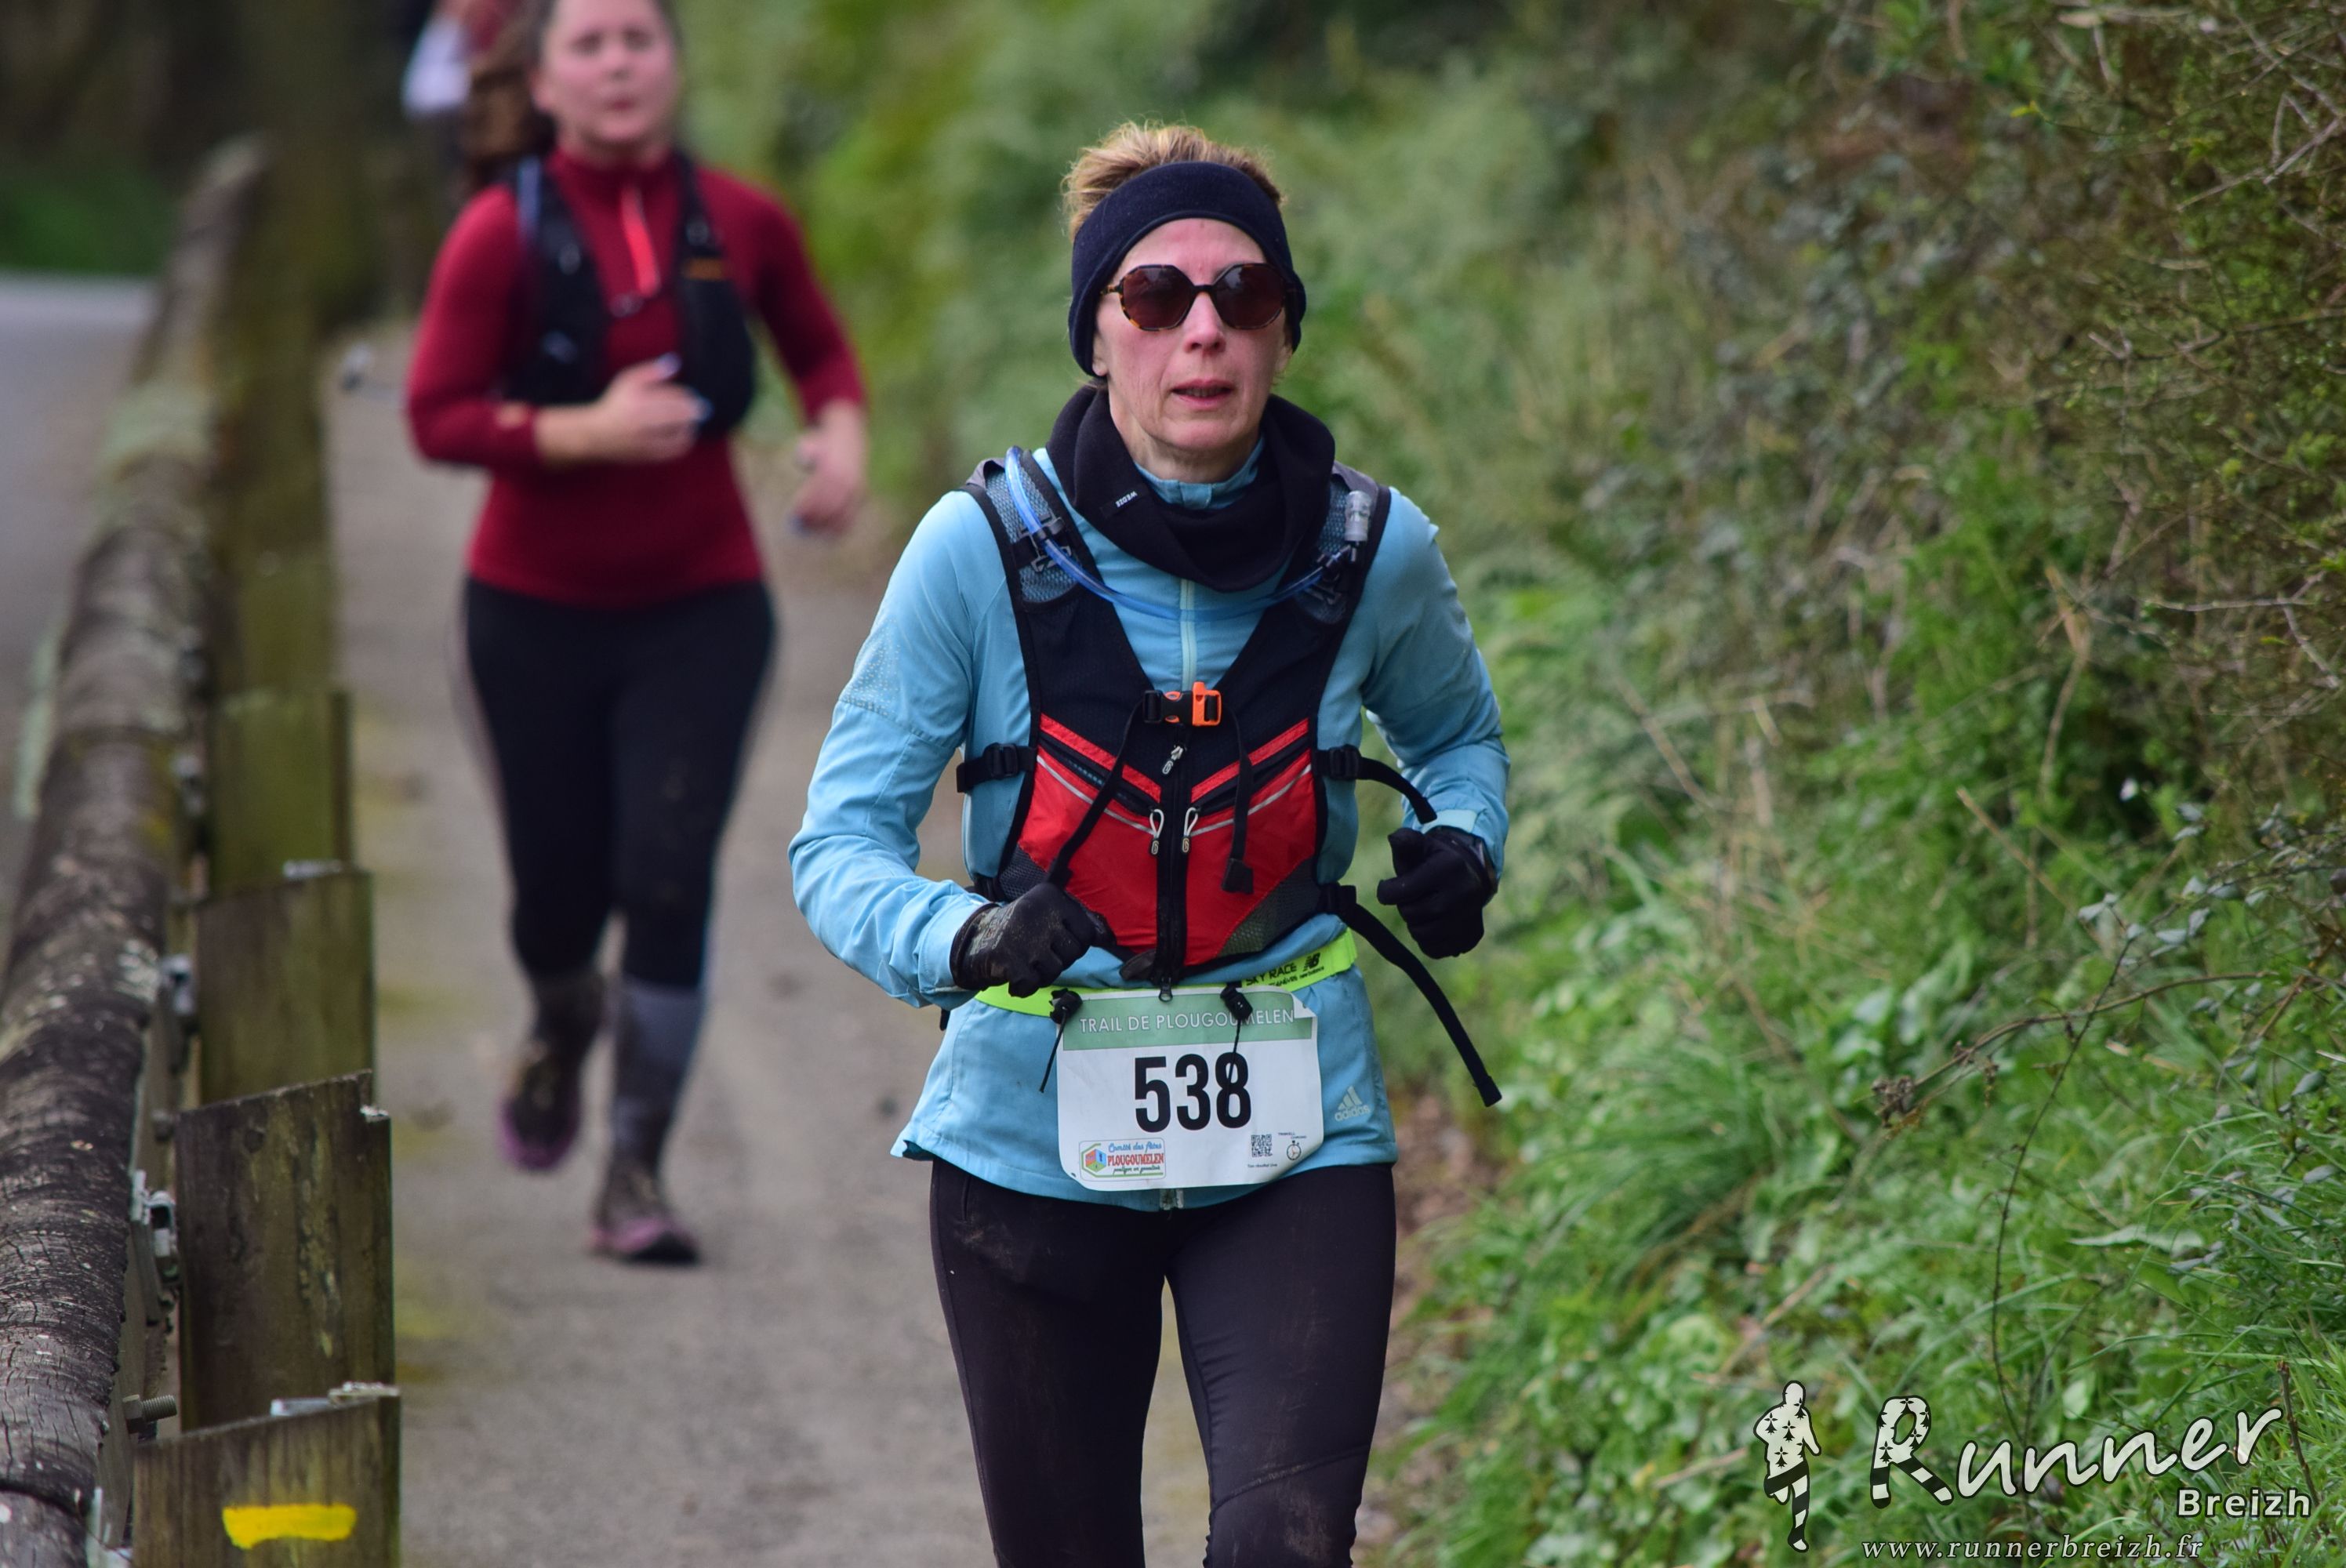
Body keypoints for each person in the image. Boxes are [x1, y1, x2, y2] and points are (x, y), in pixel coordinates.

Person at [790, 123, 1507, 1566]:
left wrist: (1463, 841)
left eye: (1244, 295)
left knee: (1285, 1544)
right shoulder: (977, 552)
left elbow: (1458, 741)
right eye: (1157, 296)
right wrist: (965, 937)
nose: (1203, 331)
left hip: (1296, 1133)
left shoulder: (1375, 551)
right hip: (1027, 1137)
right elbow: (838, 846)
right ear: (1097, 335)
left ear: (1285, 333)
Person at [405, 0, 867, 1264]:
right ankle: (562, 1022)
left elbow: (823, 358)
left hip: (702, 610)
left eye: (638, 39)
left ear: (673, 63)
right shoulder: (498, 234)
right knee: (557, 901)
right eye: (590, 44)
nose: (617, 64)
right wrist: (579, 431)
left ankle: (635, 1174)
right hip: (530, 619)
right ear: (543, 82)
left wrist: (839, 441)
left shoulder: (743, 221)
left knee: (667, 878)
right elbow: (436, 416)